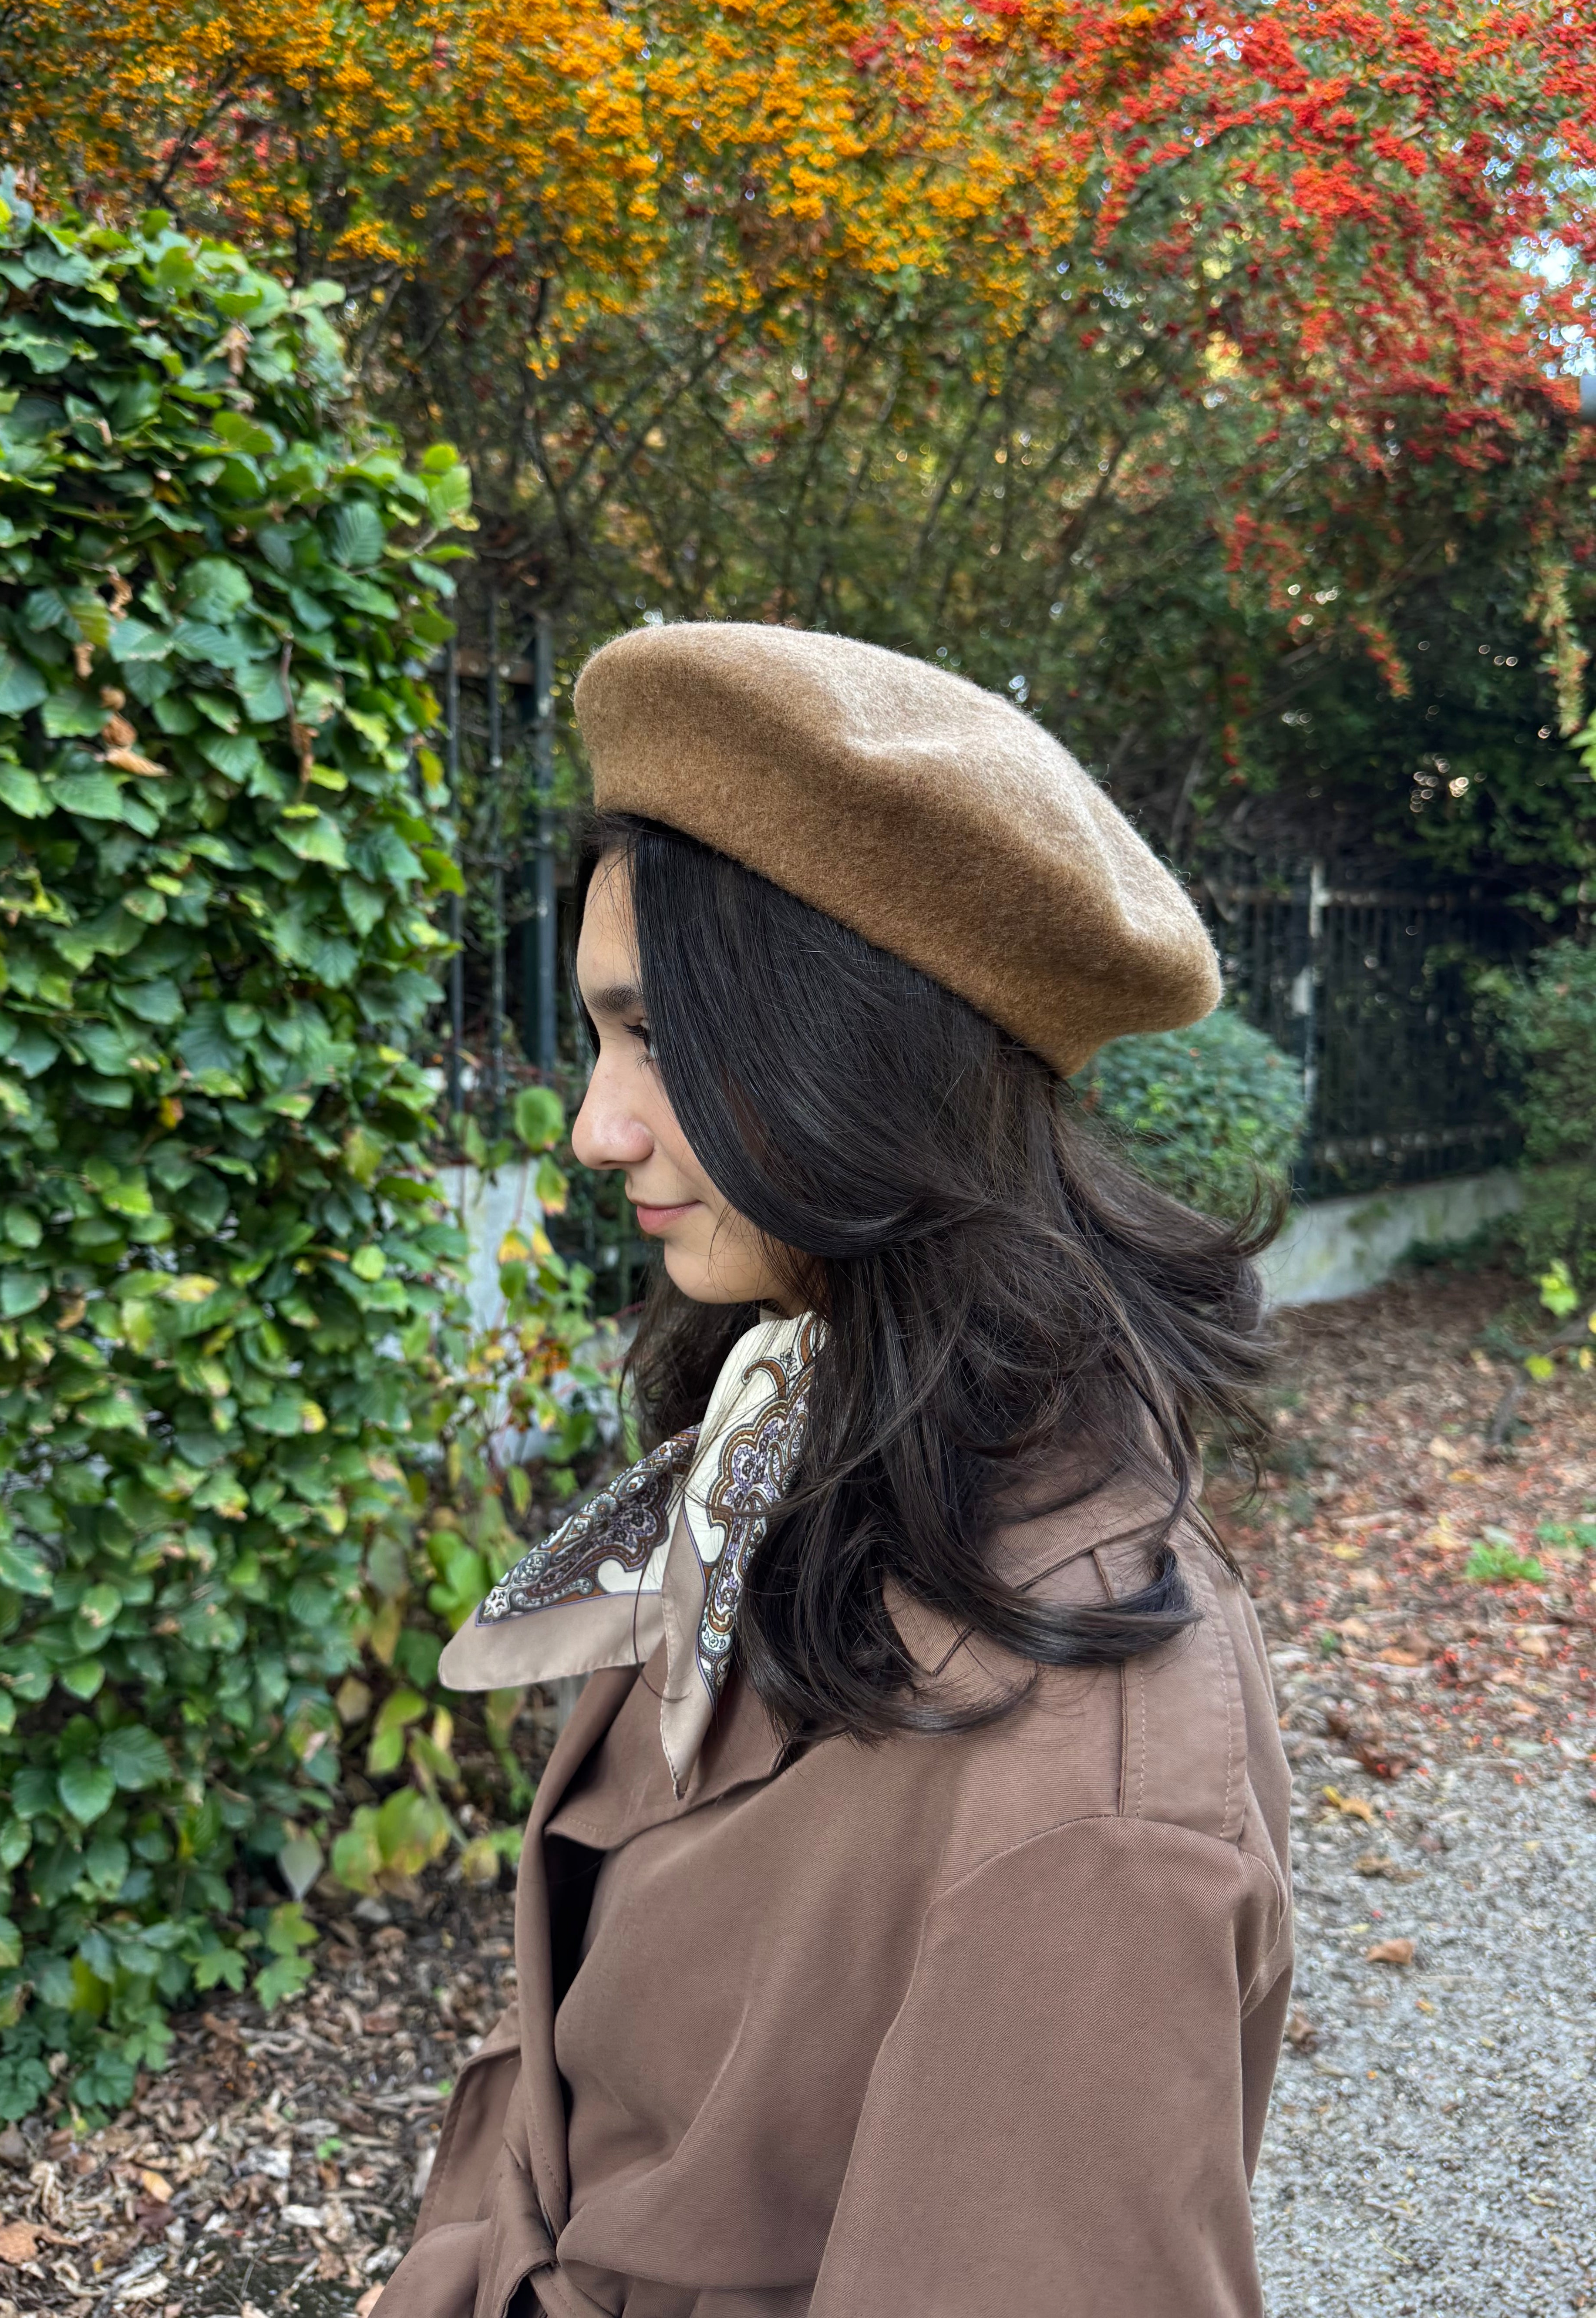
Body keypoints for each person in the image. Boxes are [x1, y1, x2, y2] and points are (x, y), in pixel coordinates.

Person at [377, 623, 1292, 2318]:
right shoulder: (788, 1454)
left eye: (651, 1036)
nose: (594, 1127)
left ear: (855, 1056)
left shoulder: (1088, 1785)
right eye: (599, 1039)